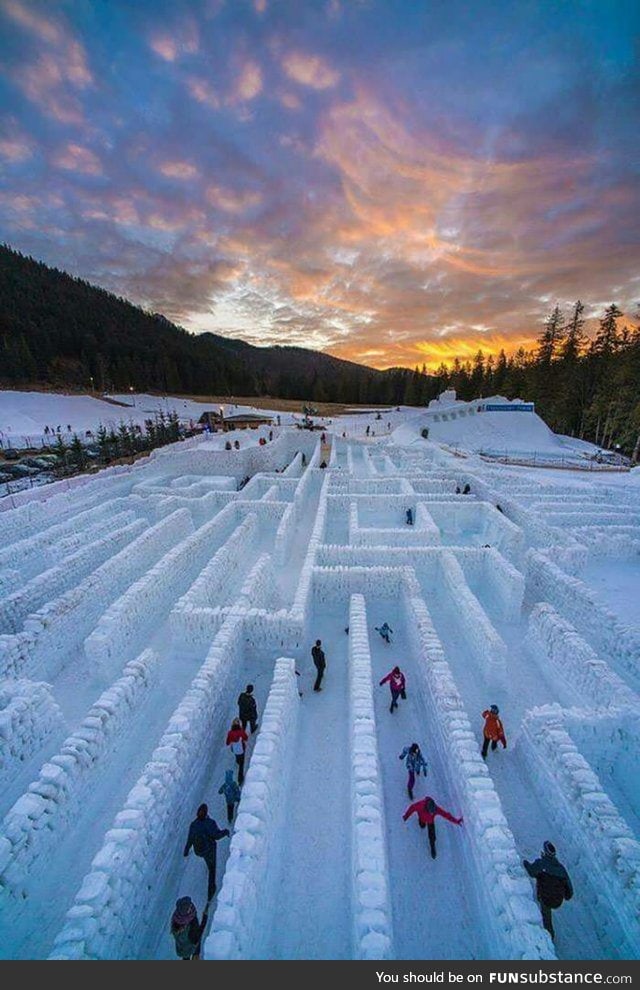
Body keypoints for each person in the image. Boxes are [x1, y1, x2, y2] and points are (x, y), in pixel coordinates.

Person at [523, 841, 573, 941]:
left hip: (546, 898)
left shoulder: (541, 864)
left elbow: (531, 872)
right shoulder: (561, 869)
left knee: (546, 913)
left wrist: (525, 863)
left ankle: (549, 936)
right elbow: (569, 892)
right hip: (558, 901)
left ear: (545, 852)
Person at [183, 804, 230, 902]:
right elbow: (216, 835)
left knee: (207, 861)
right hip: (210, 850)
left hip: (199, 851)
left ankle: (208, 865)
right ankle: (211, 890)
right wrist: (225, 832)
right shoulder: (210, 823)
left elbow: (190, 839)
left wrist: (186, 851)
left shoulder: (193, 825)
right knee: (212, 869)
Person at [170, 896, 208, 960]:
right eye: (190, 907)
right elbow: (198, 936)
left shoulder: (176, 918)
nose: (191, 906)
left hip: (183, 949)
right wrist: (205, 918)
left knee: (185, 957)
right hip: (192, 947)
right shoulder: (191, 924)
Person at [226, 718, 249, 785]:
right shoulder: (241, 732)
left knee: (237, 756)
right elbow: (246, 738)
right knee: (242, 765)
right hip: (241, 750)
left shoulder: (230, 733)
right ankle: (240, 779)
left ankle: (237, 761)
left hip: (234, 750)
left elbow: (227, 743)